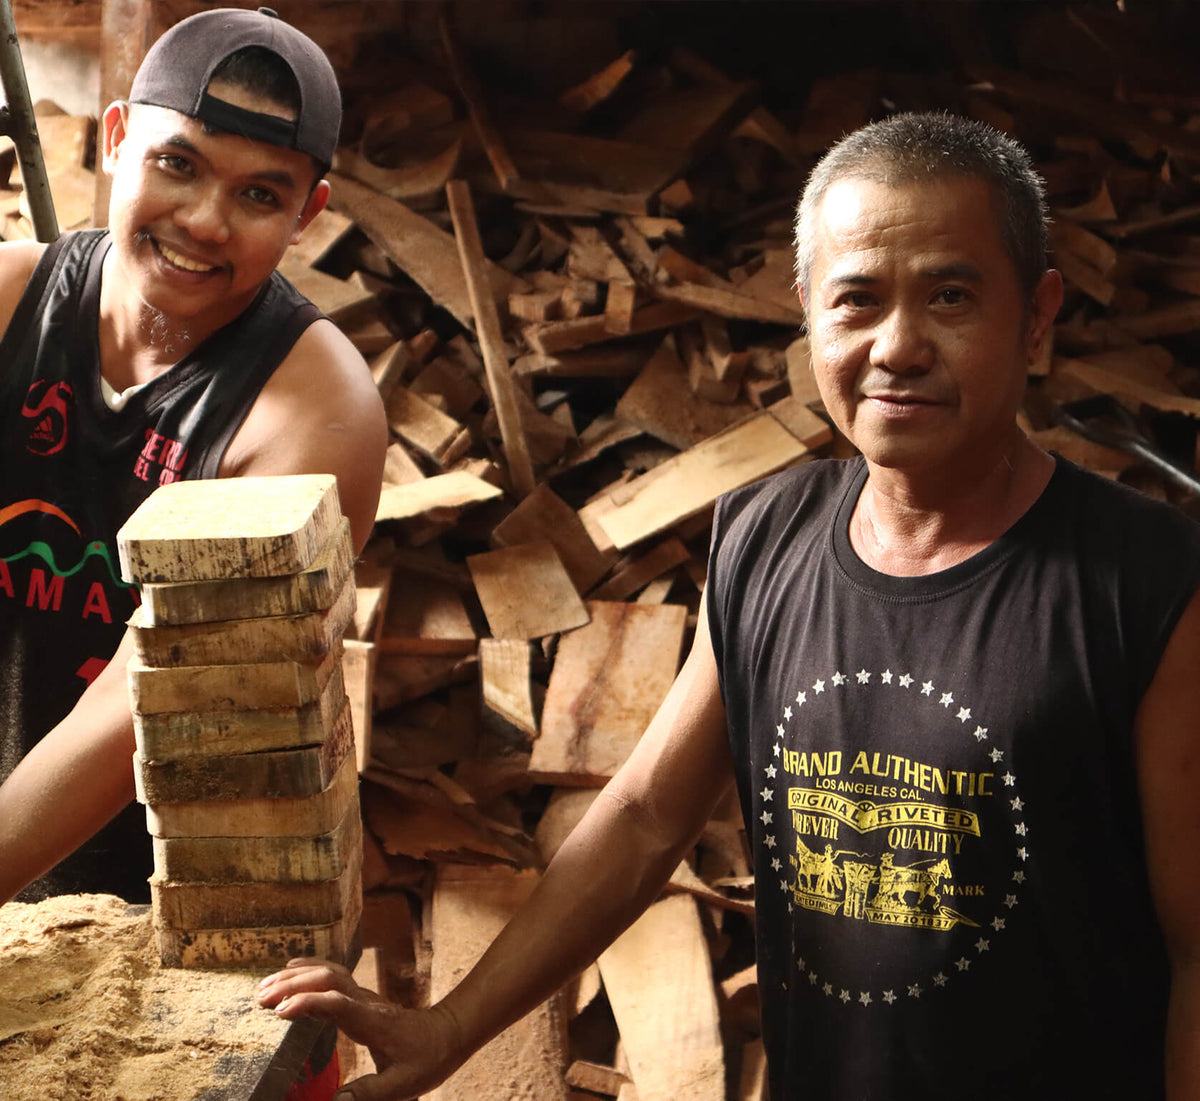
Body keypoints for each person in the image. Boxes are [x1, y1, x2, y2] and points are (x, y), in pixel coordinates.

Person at [258, 111, 1200, 1101]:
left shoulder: (1145, 586)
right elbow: (643, 820)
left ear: (1038, 315)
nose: (898, 347)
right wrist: (443, 1030)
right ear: (807, 312)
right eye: (857, 302)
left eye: (952, 297)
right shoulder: (765, 535)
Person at [0, 6, 384, 930]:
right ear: (119, 137)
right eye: (179, 164)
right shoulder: (9, 300)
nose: (205, 223)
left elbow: (150, 689)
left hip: (170, 902)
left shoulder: (314, 411)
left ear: (308, 214)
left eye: (260, 194)